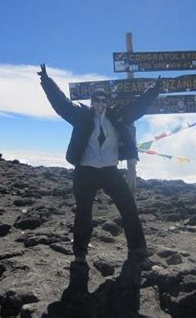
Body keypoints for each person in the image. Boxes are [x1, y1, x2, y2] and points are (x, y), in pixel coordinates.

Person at [38, 64, 162, 267]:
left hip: (110, 171)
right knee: (83, 213)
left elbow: (138, 107)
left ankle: (137, 249)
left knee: (128, 207)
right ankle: (79, 255)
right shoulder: (81, 115)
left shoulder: (117, 115)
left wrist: (154, 90)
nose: (100, 103)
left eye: (103, 100)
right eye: (96, 100)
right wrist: (46, 81)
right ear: (92, 101)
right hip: (85, 171)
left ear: (107, 102)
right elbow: (61, 104)